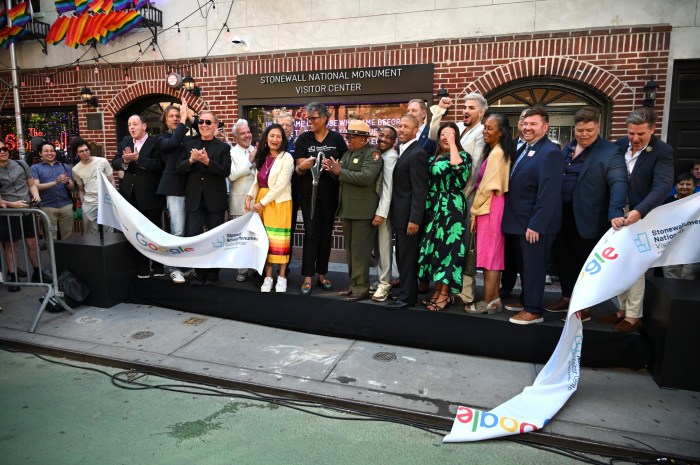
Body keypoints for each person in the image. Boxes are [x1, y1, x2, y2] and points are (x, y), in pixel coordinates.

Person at [546, 106, 628, 321]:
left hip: (588, 217)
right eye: (580, 130)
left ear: (598, 127)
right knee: (562, 259)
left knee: (583, 263)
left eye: (589, 130)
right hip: (560, 215)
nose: (584, 135)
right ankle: (566, 297)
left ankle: (583, 307)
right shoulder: (568, 148)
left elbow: (618, 181)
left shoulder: (610, 152)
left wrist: (616, 211)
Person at [599, 108, 674, 332]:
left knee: (635, 266)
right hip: (617, 213)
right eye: (631, 133)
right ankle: (621, 309)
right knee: (618, 263)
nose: (635, 139)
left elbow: (662, 186)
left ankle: (633, 316)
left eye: (641, 134)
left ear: (652, 129)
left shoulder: (662, 151)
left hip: (643, 215)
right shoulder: (619, 145)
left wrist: (639, 211)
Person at [502, 107, 564, 325]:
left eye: (533, 124)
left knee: (534, 268)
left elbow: (549, 193)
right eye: (525, 124)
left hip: (534, 225)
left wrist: (536, 224)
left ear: (545, 127)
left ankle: (533, 310)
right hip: (519, 222)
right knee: (524, 267)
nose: (527, 128)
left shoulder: (550, 152)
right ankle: (527, 299)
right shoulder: (525, 148)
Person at [429, 92, 488, 307]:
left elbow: (473, 167)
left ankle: (465, 293)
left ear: (481, 112)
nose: (466, 110)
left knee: (461, 246)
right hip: (445, 199)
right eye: (465, 106)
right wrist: (440, 111)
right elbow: (434, 135)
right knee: (444, 246)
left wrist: (460, 196)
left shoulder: (481, 132)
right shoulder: (460, 129)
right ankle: (444, 289)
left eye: (471, 108)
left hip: (465, 197)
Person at [323, 120, 383, 302]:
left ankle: (362, 287)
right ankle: (354, 284)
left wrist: (340, 171)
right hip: (347, 209)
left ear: (364, 138)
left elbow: (366, 178)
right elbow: (343, 178)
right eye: (348, 136)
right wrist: (332, 170)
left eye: (353, 137)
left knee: (360, 252)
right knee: (350, 252)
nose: (349, 140)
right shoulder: (349, 154)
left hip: (362, 211)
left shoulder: (372, 154)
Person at [294, 102, 348, 295]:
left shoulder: (336, 139)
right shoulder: (303, 139)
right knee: (311, 233)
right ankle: (307, 277)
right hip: (309, 194)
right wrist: (305, 166)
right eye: (308, 119)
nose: (310, 122)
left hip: (330, 193)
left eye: (313, 118)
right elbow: (298, 167)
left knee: (326, 234)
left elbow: (344, 164)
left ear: (325, 118)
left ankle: (322, 274)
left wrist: (335, 166)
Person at [417, 122, 471, 311]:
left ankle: (445, 294)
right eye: (442, 134)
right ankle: (437, 290)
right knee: (436, 250)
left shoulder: (462, 156)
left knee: (449, 250)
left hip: (451, 207)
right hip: (433, 207)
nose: (445, 137)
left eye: (450, 134)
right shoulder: (433, 157)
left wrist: (453, 145)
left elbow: (460, 176)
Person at [177, 110, 232, 286]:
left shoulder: (223, 147)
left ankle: (213, 273)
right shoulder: (188, 145)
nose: (204, 125)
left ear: (216, 126)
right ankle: (199, 272)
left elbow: (225, 171)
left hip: (215, 199)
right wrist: (192, 161)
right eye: (201, 122)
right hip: (194, 199)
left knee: (215, 238)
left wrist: (207, 162)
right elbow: (179, 168)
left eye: (208, 122)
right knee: (194, 236)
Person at [465, 114, 512, 314]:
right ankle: (496, 299)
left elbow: (486, 187)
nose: (485, 131)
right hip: (492, 205)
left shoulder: (497, 153)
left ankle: (486, 302)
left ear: (500, 133)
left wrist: (474, 211)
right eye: (485, 127)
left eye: (490, 128)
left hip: (490, 206)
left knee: (490, 258)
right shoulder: (495, 151)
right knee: (491, 255)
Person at [384, 115, 429, 310]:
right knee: (403, 257)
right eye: (399, 126)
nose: (401, 129)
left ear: (415, 130)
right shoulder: (404, 151)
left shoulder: (417, 153)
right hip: (400, 216)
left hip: (409, 218)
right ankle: (404, 293)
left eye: (405, 127)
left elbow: (420, 190)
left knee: (408, 259)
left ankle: (407, 298)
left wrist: (414, 219)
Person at [112, 114, 165, 279]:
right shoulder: (125, 142)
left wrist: (138, 159)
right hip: (130, 196)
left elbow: (159, 165)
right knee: (136, 233)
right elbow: (115, 161)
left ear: (144, 126)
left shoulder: (156, 142)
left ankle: (157, 266)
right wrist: (125, 162)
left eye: (135, 124)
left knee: (154, 233)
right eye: (129, 125)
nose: (132, 128)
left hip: (151, 196)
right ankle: (142, 267)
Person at [245, 124, 294, 292]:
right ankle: (267, 277)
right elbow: (257, 181)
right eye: (272, 136)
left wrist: (261, 203)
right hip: (262, 203)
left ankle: (281, 277)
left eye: (278, 136)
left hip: (278, 203)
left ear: (283, 139)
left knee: (279, 241)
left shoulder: (287, 158)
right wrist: (250, 196)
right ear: (266, 138)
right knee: (264, 240)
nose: (275, 139)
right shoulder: (263, 157)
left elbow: (280, 185)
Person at [156, 99, 191, 284]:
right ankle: (174, 268)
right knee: (177, 231)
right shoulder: (161, 139)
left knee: (191, 230)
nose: (176, 118)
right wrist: (185, 121)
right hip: (174, 189)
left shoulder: (185, 136)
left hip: (191, 188)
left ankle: (185, 266)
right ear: (165, 120)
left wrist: (190, 118)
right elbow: (174, 143)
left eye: (178, 115)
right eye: (172, 116)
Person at [0, 141, 42, 291]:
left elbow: (31, 184)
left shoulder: (21, 164)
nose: (2, 152)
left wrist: (35, 196)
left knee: (33, 243)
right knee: (12, 245)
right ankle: (14, 276)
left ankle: (37, 272)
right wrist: (12, 204)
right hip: (9, 213)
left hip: (28, 210)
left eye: (4, 148)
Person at [501, 109, 529, 298]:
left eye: (529, 122)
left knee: (525, 256)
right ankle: (507, 286)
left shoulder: (545, 148)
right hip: (505, 207)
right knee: (508, 252)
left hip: (526, 211)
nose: (524, 125)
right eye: (522, 120)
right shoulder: (508, 145)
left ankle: (527, 292)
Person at [370, 126, 399, 302]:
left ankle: (385, 284)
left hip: (384, 211)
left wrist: (381, 213)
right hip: (375, 208)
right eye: (381, 135)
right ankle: (380, 279)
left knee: (384, 248)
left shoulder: (391, 157)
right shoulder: (379, 155)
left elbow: (388, 188)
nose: (383, 139)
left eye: (388, 137)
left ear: (394, 141)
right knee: (378, 249)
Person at [229, 119, 257, 283]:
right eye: (242, 133)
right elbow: (232, 175)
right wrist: (250, 160)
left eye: (248, 132)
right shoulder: (231, 153)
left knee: (255, 237)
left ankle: (254, 268)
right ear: (236, 137)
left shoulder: (256, 149)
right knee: (240, 238)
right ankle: (241, 270)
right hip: (239, 202)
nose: (247, 135)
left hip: (257, 202)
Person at [30, 142, 75, 241]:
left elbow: (72, 187)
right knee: (51, 236)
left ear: (55, 152)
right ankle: (53, 256)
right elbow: (36, 186)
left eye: (52, 151)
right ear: (40, 153)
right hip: (47, 206)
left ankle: (67, 256)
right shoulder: (35, 168)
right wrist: (55, 182)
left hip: (66, 204)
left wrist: (67, 182)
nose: (49, 153)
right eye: (46, 151)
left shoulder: (64, 166)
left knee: (68, 234)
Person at [71, 139, 116, 234]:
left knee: (109, 229)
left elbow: (111, 180)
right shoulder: (76, 169)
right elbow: (81, 189)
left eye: (86, 150)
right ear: (77, 153)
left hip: (105, 200)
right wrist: (83, 204)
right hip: (89, 202)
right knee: (90, 231)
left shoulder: (102, 161)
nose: (85, 153)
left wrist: (113, 198)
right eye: (81, 151)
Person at [662, 172, 699, 280]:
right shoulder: (668, 201)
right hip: (672, 244)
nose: (684, 187)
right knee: (671, 274)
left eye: (688, 184)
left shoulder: (698, 201)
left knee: (690, 275)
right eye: (681, 184)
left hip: (693, 245)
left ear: (694, 186)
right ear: (676, 186)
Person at [276, 111, 299, 274]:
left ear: (293, 127)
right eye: (282, 125)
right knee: (268, 232)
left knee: (287, 233)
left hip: (290, 197)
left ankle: (284, 270)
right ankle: (265, 271)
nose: (285, 128)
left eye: (288, 125)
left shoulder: (298, 146)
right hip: (270, 198)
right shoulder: (270, 144)